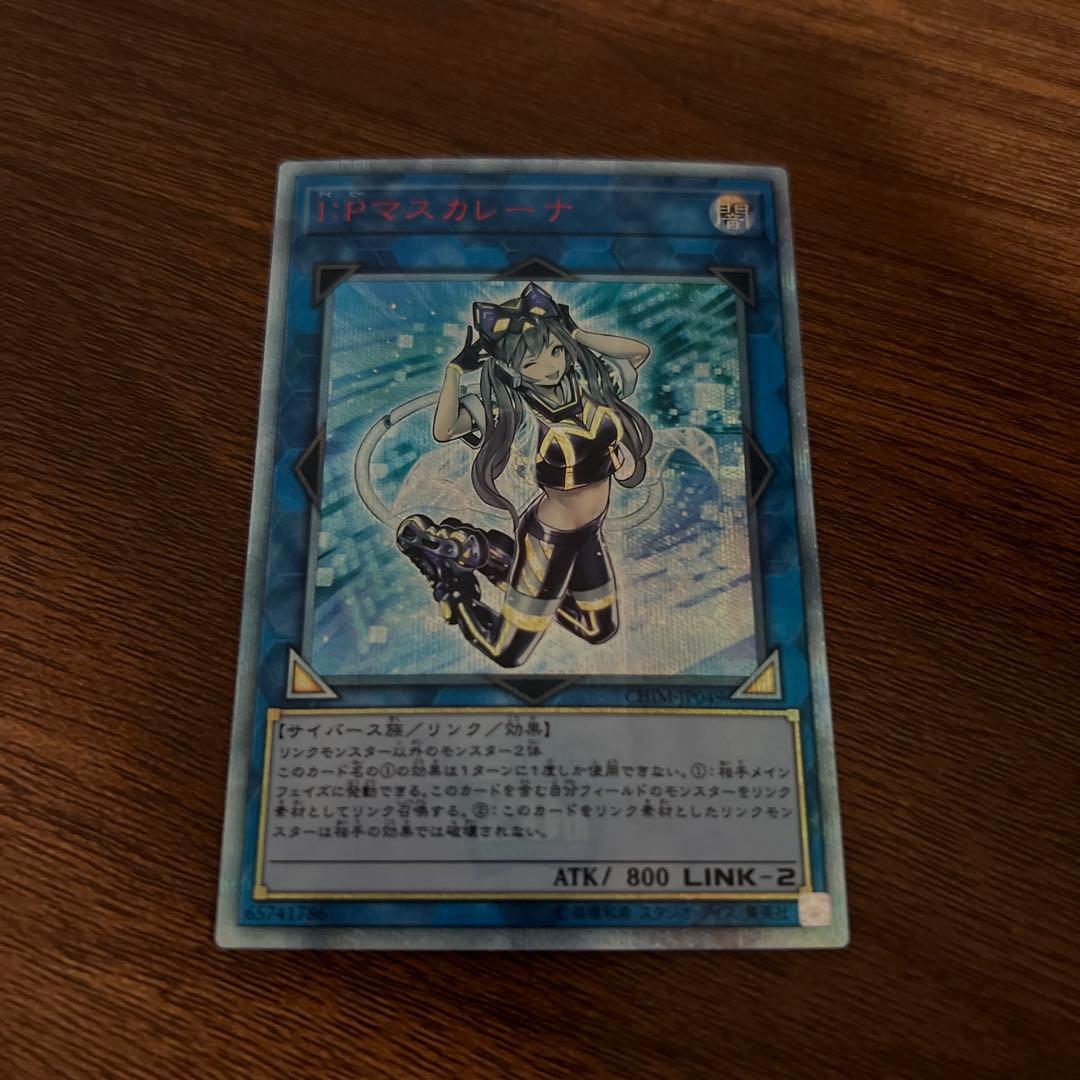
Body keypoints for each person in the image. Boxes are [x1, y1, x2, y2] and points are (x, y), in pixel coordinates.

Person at [396, 281, 653, 667]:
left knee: (599, 629)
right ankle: (453, 583)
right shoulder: (512, 412)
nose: (550, 367)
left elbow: (638, 352)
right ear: (511, 369)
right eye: (532, 363)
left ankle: (481, 552)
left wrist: (575, 332)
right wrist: (454, 371)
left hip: (588, 531)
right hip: (549, 539)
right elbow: (444, 430)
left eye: (555, 351)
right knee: (507, 653)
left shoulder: (592, 383)